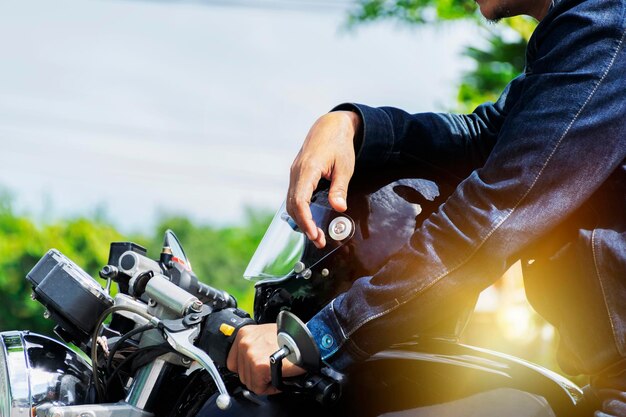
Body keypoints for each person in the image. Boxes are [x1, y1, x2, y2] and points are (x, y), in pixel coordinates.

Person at [227, 0, 626, 414]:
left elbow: (492, 216)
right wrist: (354, 125)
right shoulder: (587, 34)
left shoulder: (606, 22)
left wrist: (322, 336)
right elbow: (484, 138)